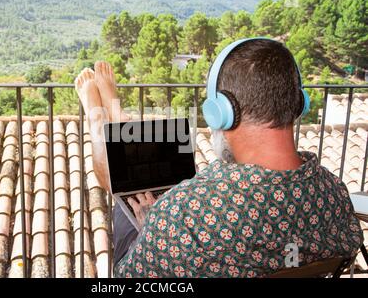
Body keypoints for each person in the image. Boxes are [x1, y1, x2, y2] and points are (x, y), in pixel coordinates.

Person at [74, 39, 363, 278]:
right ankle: (117, 117)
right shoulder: (334, 194)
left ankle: (101, 118)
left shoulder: (182, 215)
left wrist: (152, 224)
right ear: (299, 103)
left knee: (121, 193)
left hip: (159, 243)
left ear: (220, 111)